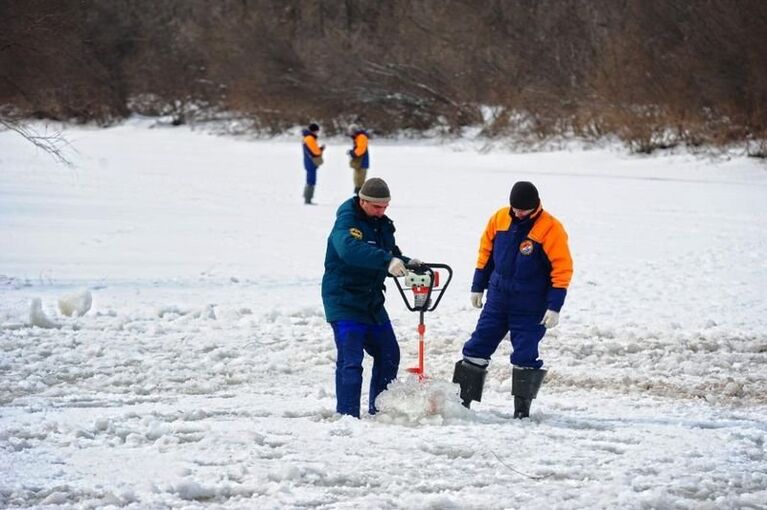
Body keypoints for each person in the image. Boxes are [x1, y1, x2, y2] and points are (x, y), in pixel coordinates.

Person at [452, 181, 573, 418]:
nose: (518, 213)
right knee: (477, 346)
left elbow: (562, 268)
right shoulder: (499, 218)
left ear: (535, 206)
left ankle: (521, 411)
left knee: (525, 355)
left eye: (523, 210)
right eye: (515, 209)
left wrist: (555, 306)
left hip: (530, 305)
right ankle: (462, 404)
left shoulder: (550, 228)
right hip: (498, 299)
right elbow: (485, 252)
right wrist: (478, 286)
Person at [321, 177, 421, 418]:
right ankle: (347, 416)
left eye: (386, 206)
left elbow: (389, 253)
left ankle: (380, 410)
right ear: (363, 201)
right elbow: (349, 250)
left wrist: (408, 263)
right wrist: (388, 262)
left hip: (372, 302)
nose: (382, 211)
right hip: (344, 300)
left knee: (389, 354)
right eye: (377, 206)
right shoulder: (347, 223)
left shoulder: (382, 225)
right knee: (351, 361)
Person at [302, 123, 325, 204]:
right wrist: (321, 149)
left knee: (310, 179)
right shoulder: (310, 138)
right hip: (311, 162)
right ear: (314, 130)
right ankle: (308, 199)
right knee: (311, 180)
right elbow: (316, 152)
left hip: (308, 161)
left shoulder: (307, 138)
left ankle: (307, 197)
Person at [347, 125, 370, 195]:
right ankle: (357, 193)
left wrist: (353, 153)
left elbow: (361, 149)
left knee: (360, 180)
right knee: (356, 179)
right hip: (358, 163)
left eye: (351, 132)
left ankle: (360, 195)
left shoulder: (362, 137)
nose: (350, 133)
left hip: (362, 162)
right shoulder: (357, 137)